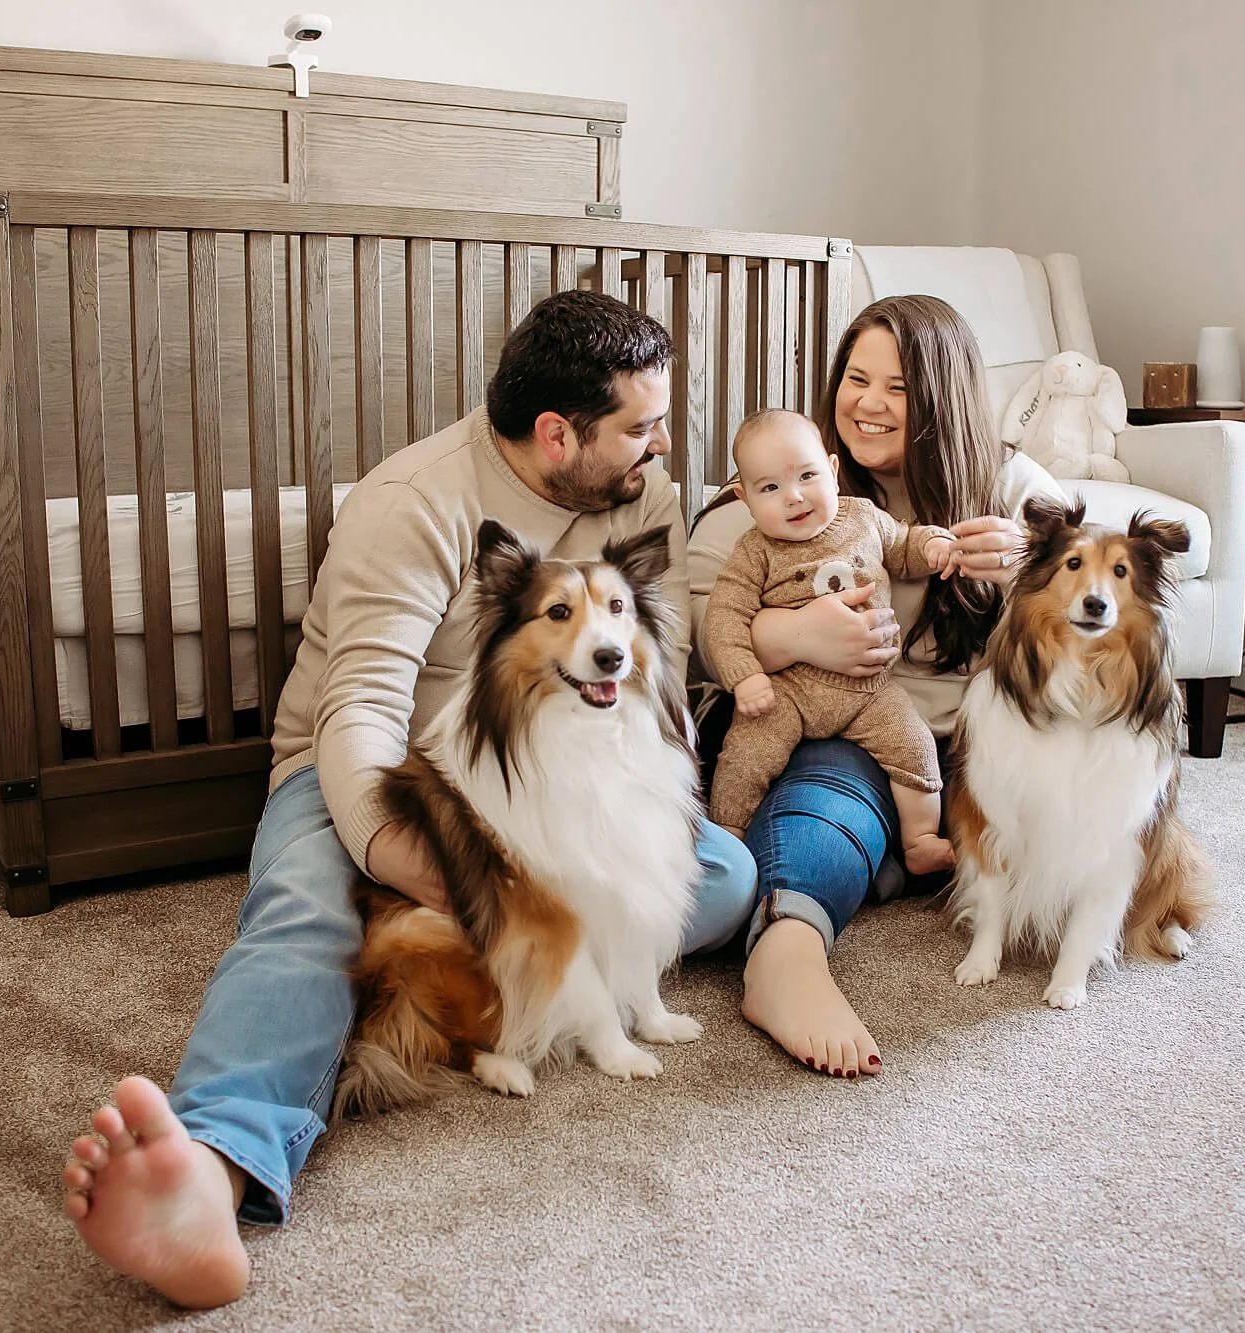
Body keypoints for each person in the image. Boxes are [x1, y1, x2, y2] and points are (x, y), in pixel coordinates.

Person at [60, 291, 757, 1309]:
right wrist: (416, 864)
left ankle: (507, 985)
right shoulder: (413, 501)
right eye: (641, 426)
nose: (661, 445)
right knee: (306, 917)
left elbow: (655, 672)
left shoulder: (639, 497)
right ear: (557, 434)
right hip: (383, 773)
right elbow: (359, 707)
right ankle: (211, 1169)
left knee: (725, 874)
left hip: (566, 774)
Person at [687, 295, 1064, 1081]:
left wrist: (1036, 562)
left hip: (973, 742)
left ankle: (895, 858)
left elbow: (1105, 583)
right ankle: (785, 954)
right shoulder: (790, 482)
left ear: (945, 395)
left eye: (898, 387)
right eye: (856, 379)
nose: (869, 403)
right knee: (825, 782)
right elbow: (705, 607)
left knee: (1068, 797)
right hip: (844, 732)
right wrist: (790, 636)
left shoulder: (1005, 482)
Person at [701, 408, 961, 873]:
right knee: (744, 756)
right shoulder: (754, 552)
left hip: (871, 692)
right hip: (789, 692)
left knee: (915, 745)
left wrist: (933, 547)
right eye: (770, 488)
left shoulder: (863, 518)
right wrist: (745, 678)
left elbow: (903, 546)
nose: (794, 497)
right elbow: (724, 618)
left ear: (833, 469)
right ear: (744, 498)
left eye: (807, 475)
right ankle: (728, 839)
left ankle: (920, 839)